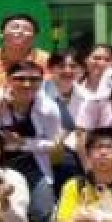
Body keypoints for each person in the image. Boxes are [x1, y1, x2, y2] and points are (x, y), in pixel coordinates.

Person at [0, 60, 69, 222]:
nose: (27, 84)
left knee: (42, 212)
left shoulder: (48, 107)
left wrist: (22, 143)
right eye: (20, 78)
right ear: (8, 80)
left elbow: (53, 143)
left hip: (32, 163)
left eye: (34, 79)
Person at [45, 48, 88, 197]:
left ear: (82, 70)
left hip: (73, 155)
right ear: (50, 69)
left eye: (73, 66)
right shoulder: (38, 93)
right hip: (41, 154)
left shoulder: (88, 97)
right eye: (61, 66)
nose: (67, 70)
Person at [0, 13, 50, 87]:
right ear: (1, 33)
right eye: (15, 27)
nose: (20, 32)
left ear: (34, 36)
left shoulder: (45, 59)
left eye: (27, 29)